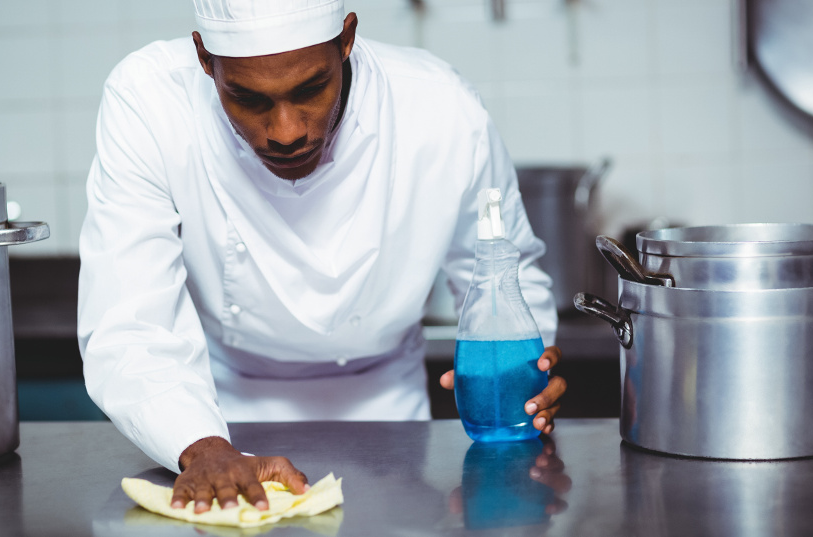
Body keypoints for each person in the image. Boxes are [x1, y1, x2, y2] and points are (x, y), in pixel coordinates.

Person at [78, 0, 567, 514]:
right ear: (204, 58)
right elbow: (130, 322)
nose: (286, 131)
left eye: (310, 89)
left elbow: (501, 270)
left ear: (346, 39)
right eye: (246, 98)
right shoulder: (149, 99)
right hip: (218, 416)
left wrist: (521, 378)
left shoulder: (440, 106)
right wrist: (201, 446)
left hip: (393, 421)